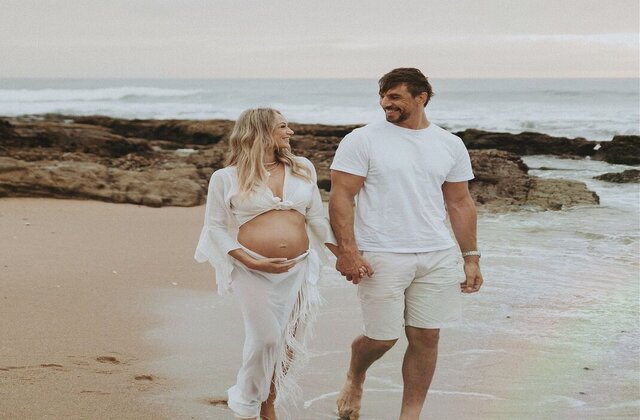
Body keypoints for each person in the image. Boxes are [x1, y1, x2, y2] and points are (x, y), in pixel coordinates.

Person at [329, 68, 484, 420]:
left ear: (421, 97)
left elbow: (460, 203)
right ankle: (356, 375)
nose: (386, 103)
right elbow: (341, 197)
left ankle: (410, 415)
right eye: (383, 96)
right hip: (381, 254)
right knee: (382, 338)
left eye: (395, 96)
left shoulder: (449, 143)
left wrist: (471, 257)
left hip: (437, 253)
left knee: (427, 337)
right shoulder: (362, 140)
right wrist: (348, 251)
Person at [194, 108, 337, 420]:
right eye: (283, 127)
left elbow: (316, 218)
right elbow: (215, 228)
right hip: (251, 270)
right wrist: (248, 259)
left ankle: (268, 401)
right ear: (260, 132)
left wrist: (344, 254)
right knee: (266, 339)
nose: (290, 133)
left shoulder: (303, 168)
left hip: (299, 268)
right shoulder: (225, 178)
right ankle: (246, 398)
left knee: (286, 341)